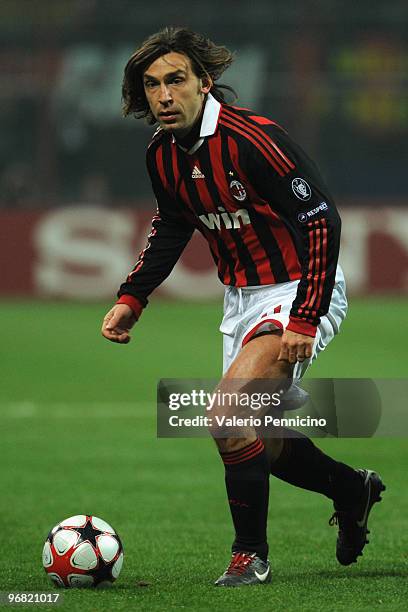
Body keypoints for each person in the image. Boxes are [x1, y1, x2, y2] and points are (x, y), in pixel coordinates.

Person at [101, 27, 385, 587]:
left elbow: (321, 219)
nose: (164, 95)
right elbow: (174, 225)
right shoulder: (162, 155)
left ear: (204, 83)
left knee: (225, 417)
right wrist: (134, 296)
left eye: (176, 80)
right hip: (240, 302)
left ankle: (249, 556)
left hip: (298, 286)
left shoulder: (250, 139)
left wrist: (306, 314)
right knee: (261, 440)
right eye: (152, 85)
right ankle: (354, 491)